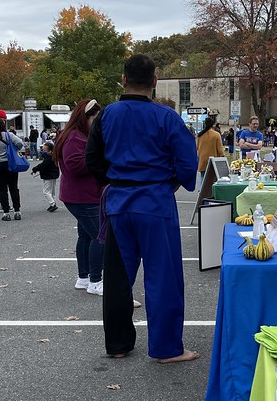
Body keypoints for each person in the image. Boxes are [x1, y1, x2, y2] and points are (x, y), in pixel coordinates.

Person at [85, 54, 199, 362]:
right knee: (163, 276)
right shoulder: (167, 117)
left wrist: (113, 181)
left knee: (117, 278)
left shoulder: (107, 115)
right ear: (154, 82)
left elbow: (92, 159)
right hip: (155, 202)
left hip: (119, 203)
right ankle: (166, 348)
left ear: (123, 79)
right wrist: (174, 181)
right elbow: (189, 162)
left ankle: (118, 345)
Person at [55, 99, 106, 295]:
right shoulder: (75, 138)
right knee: (100, 237)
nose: (97, 122)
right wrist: (99, 157)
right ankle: (95, 280)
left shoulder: (75, 135)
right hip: (83, 196)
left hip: (79, 195)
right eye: (95, 118)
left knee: (85, 236)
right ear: (84, 117)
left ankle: (84, 278)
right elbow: (75, 165)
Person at [0, 112, 26, 221]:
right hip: (10, 163)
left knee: (2, 189)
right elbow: (20, 144)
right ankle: (17, 211)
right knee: (14, 187)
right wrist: (13, 149)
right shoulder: (9, 135)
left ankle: (6, 212)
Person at [195, 116, 225, 190]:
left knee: (203, 177)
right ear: (213, 124)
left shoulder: (200, 135)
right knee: (213, 179)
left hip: (202, 160)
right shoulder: (216, 135)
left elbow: (197, 147)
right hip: (213, 161)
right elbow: (220, 149)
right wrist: (223, 157)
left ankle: (201, 191)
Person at [31, 141, 60, 212]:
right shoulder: (52, 157)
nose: (42, 152)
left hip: (48, 176)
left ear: (50, 151)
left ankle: (52, 204)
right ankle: (52, 203)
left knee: (46, 191)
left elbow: (42, 166)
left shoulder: (48, 158)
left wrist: (35, 169)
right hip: (52, 175)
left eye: (44, 150)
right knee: (52, 191)